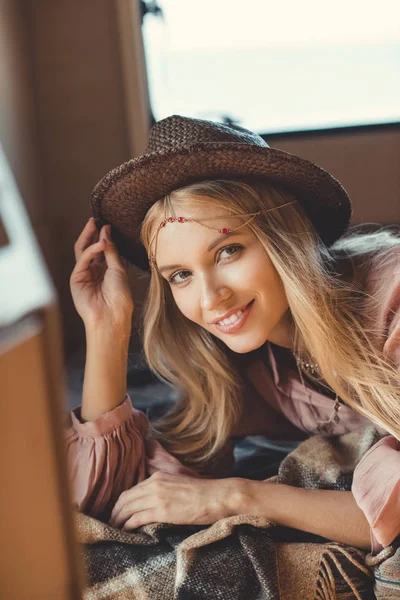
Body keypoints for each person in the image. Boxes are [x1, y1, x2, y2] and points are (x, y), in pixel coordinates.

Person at [66, 115, 400, 555]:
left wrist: (240, 496)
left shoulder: (391, 301)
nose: (211, 299)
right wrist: (105, 329)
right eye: (181, 275)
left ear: (285, 237)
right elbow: (109, 502)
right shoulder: (244, 360)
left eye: (228, 251)